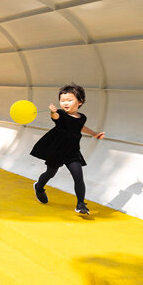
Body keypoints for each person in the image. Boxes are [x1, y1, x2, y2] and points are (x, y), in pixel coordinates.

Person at [30, 83, 105, 214]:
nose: (65, 103)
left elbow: (79, 126)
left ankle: (81, 204)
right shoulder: (60, 113)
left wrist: (94, 133)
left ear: (80, 102)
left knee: (78, 176)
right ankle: (39, 186)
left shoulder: (82, 117)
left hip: (72, 151)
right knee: (50, 173)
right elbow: (56, 117)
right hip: (57, 151)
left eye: (69, 100)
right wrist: (53, 112)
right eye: (62, 100)